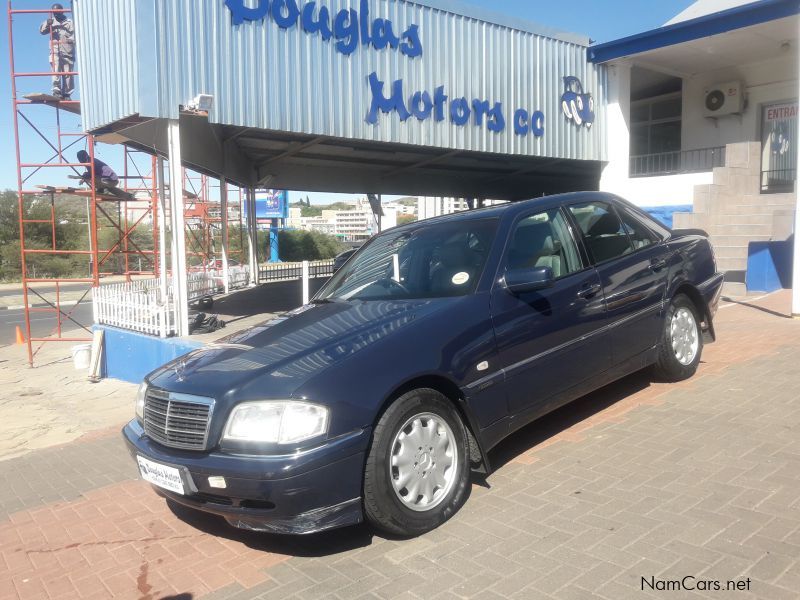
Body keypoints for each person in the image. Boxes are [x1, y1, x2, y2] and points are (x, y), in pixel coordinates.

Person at [39, 3, 75, 100]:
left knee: (68, 72)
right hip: (55, 50)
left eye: (57, 13)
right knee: (56, 69)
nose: (55, 15)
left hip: (67, 50)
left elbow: (77, 34)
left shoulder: (70, 22)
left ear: (62, 11)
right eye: (54, 13)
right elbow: (42, 31)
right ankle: (56, 90)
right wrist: (47, 23)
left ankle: (67, 93)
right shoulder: (51, 21)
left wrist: (71, 39)